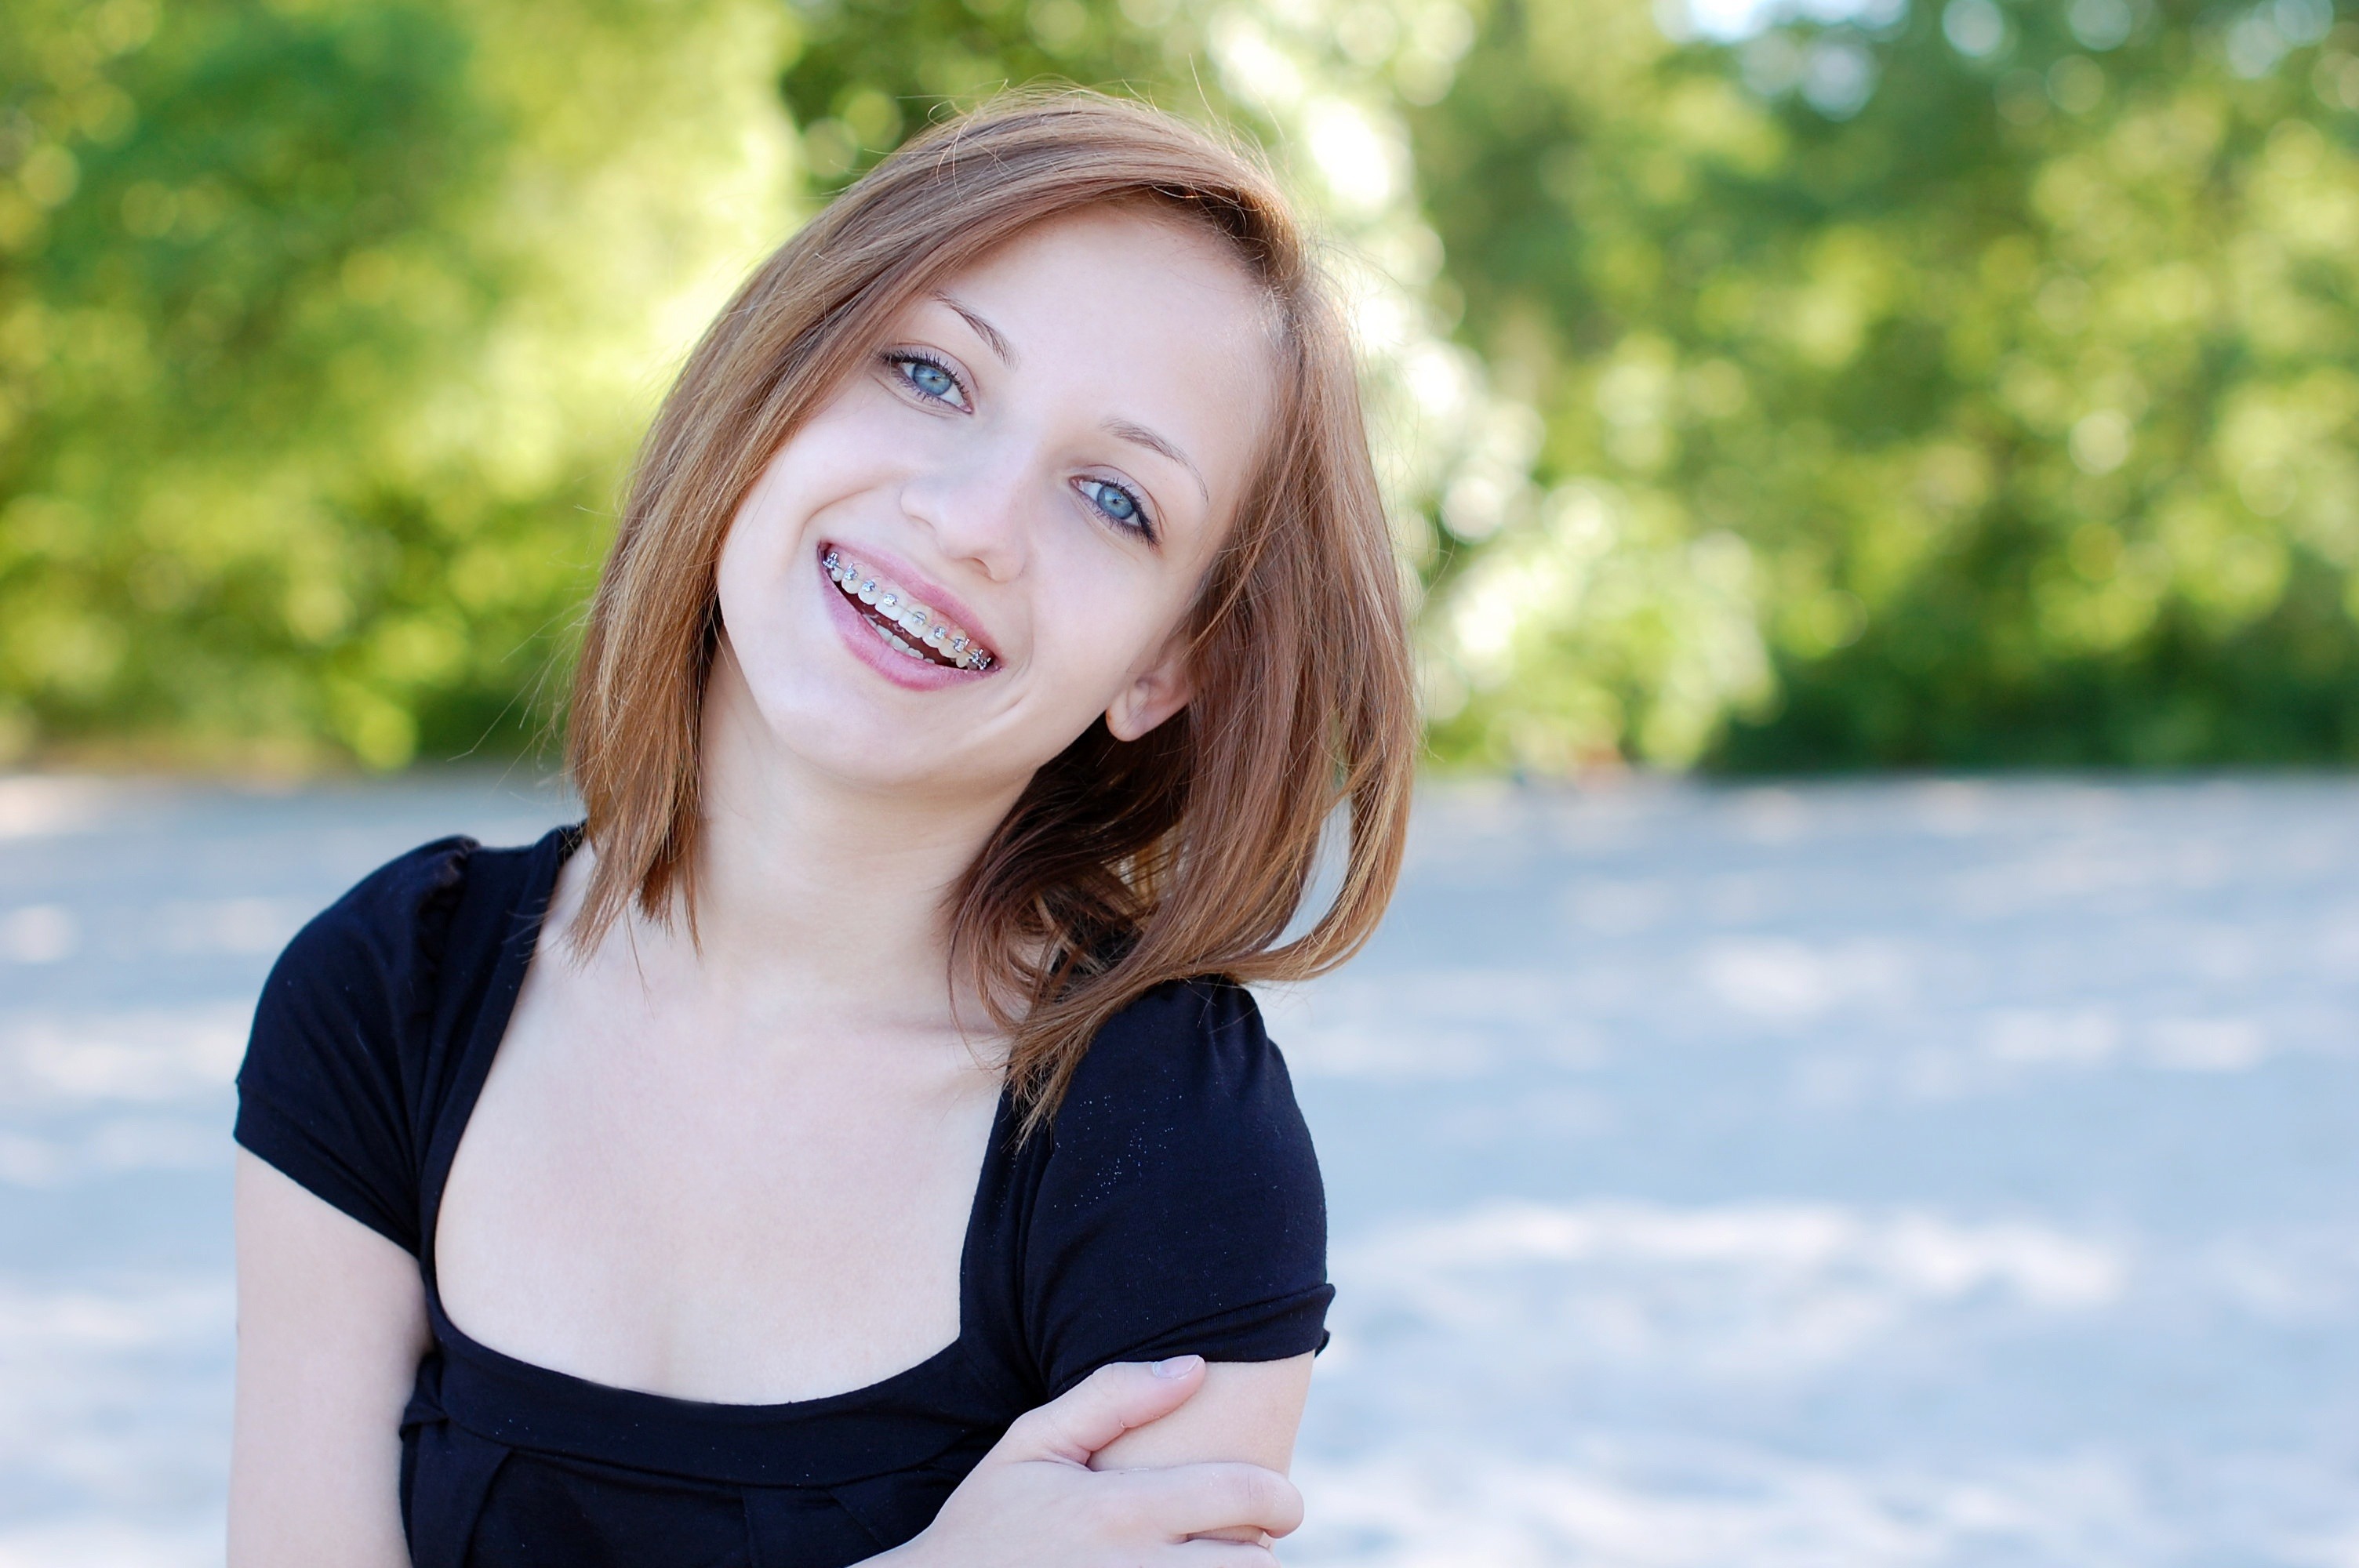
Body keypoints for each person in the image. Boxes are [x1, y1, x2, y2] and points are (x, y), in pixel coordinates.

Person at [226, 91, 1416, 1568]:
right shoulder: (390, 991)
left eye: (1115, 498)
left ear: (1168, 665)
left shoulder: (1168, 1147)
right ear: (779, 382)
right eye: (928, 372)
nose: (975, 519)